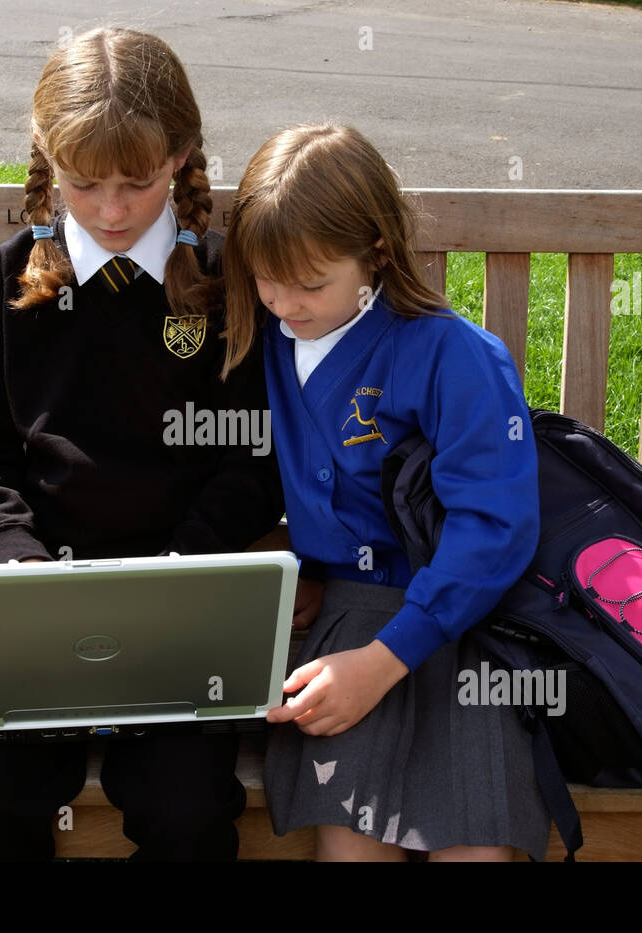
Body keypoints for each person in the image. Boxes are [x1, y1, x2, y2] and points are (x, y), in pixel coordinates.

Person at [0, 27, 284, 861]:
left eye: (138, 183)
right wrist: (16, 561)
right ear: (47, 161)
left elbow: (255, 455)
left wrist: (184, 562)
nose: (113, 211)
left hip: (184, 603)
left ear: (183, 156)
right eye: (84, 185)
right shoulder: (11, 280)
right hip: (33, 601)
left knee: (187, 808)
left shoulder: (227, 284)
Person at [221, 124, 551, 861]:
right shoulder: (267, 337)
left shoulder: (451, 353)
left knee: (474, 842)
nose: (284, 303)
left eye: (311, 283)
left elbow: (494, 527)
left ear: (376, 252)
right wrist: (295, 562)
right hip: (345, 621)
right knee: (352, 838)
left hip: (465, 624)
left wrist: (385, 659)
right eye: (265, 279)